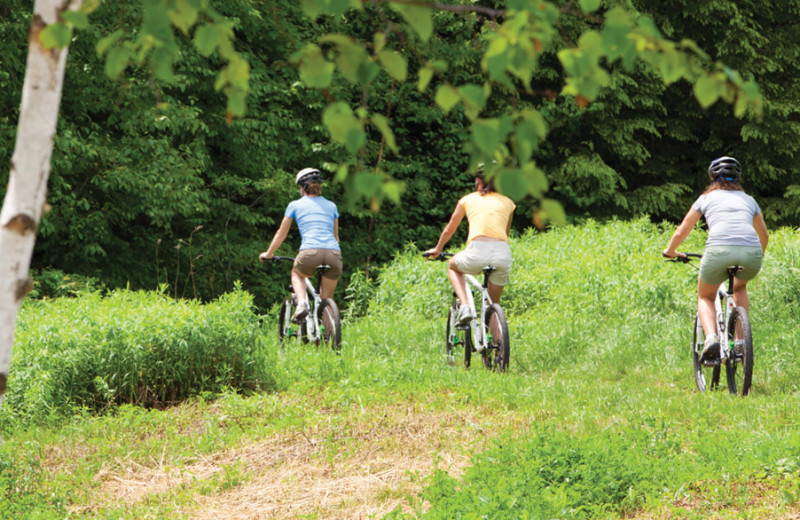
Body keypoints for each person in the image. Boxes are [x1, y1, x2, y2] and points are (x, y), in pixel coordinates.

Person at [663, 156, 769, 357]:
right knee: (739, 286)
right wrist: (757, 255)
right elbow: (764, 235)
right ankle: (740, 342)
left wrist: (670, 251)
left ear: (712, 178)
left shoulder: (706, 199)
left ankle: (711, 338)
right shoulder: (750, 200)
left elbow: (682, 231)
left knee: (705, 295)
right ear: (738, 179)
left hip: (718, 251)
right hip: (752, 254)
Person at [424, 164, 516, 325]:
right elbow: (505, 233)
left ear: (478, 180)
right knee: (493, 306)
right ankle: (497, 346)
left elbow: (449, 229)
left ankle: (465, 306)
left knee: (453, 266)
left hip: (477, 251)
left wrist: (438, 249)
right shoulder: (508, 203)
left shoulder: (468, 199)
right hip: (502, 254)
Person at [259, 168, 342, 323]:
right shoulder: (332, 206)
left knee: (297, 274)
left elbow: (281, 234)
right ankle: (329, 339)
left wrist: (268, 254)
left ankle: (302, 303)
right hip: (334, 254)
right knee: (326, 300)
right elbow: (335, 237)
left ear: (303, 187)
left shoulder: (295, 205)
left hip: (309, 252)